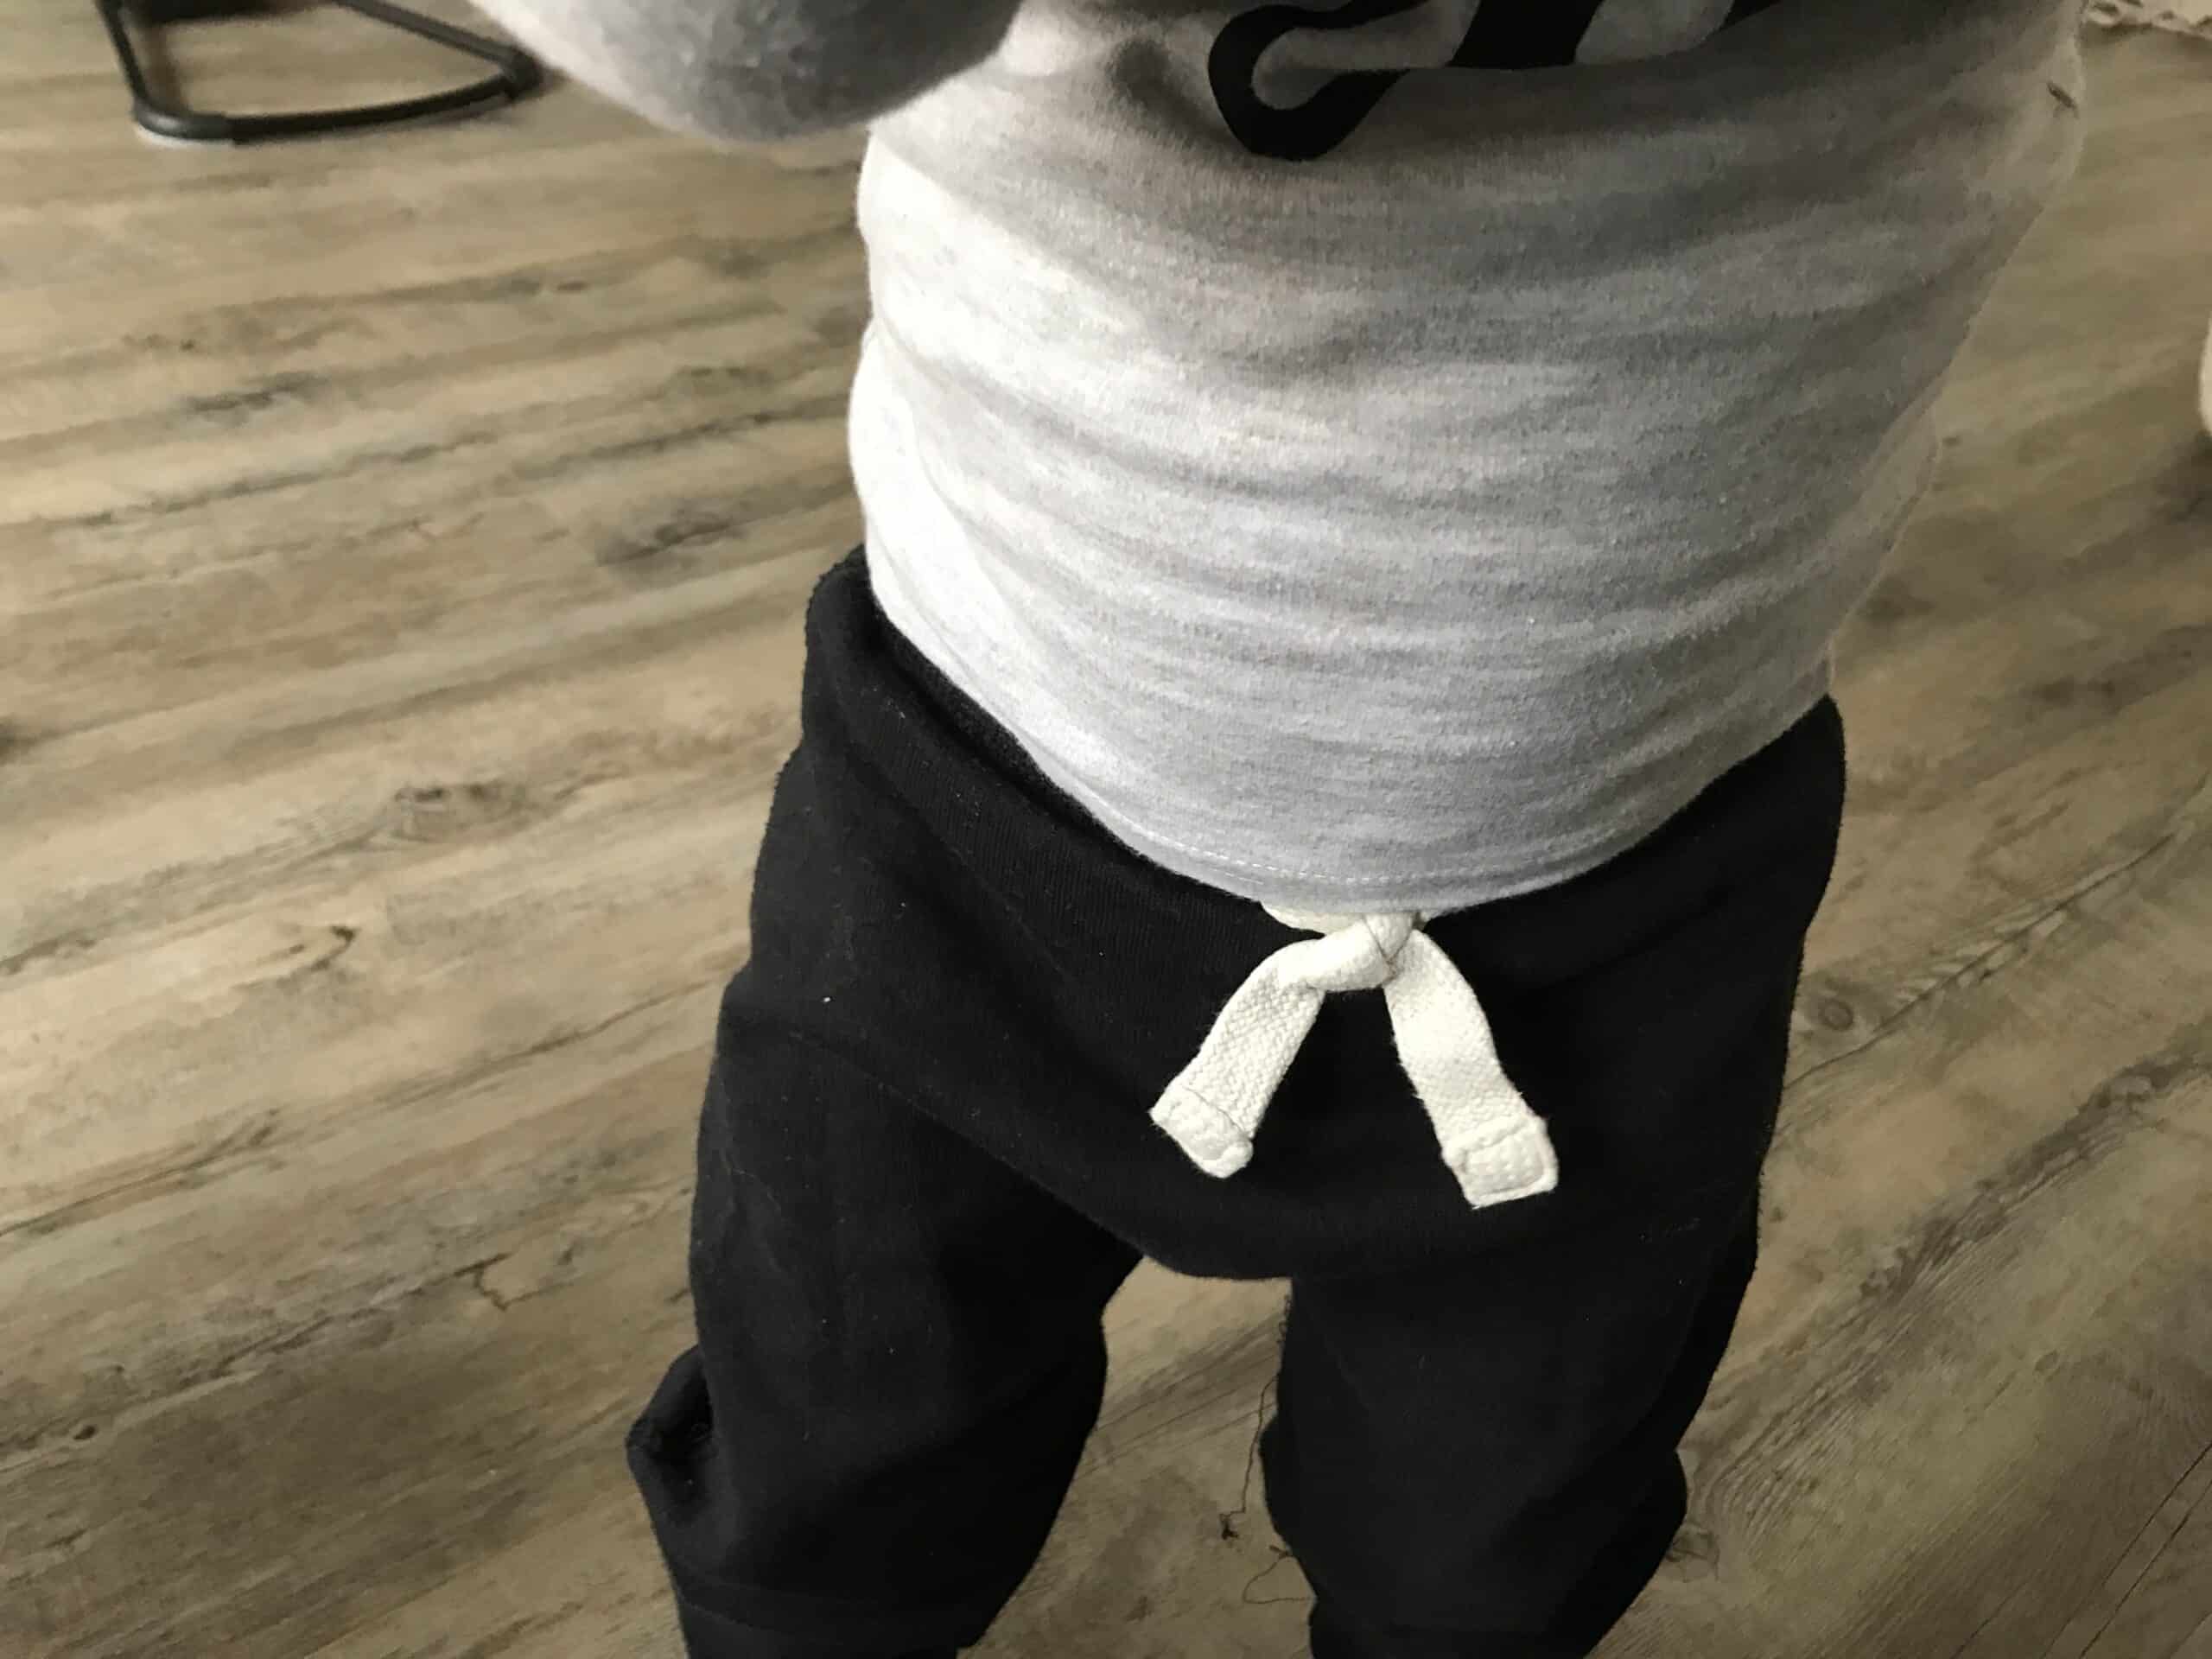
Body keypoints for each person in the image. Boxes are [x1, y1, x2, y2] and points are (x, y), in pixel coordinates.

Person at [459, 1, 2087, 1654]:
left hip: (1634, 873)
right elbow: (732, 41)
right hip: (972, 788)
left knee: (1485, 1560)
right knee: (831, 1487)